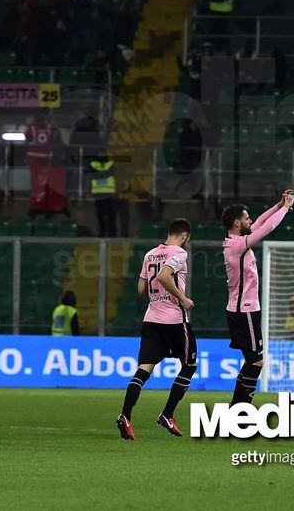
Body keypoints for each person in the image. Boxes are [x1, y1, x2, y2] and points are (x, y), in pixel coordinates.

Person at [117, 218, 195, 441]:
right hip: (175, 321)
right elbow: (163, 276)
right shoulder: (179, 253)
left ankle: (126, 415)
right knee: (189, 365)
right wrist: (183, 298)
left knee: (143, 371)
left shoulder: (150, 254)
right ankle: (168, 414)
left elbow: (141, 288)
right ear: (184, 236)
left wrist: (157, 295)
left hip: (151, 319)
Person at [222, 190, 294, 405]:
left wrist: (278, 204)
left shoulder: (236, 241)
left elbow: (262, 220)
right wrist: (286, 207)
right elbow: (268, 227)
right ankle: (241, 411)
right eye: (246, 218)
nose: (250, 220)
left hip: (240, 309)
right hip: (244, 310)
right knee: (257, 362)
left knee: (251, 361)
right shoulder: (238, 245)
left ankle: (236, 409)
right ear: (237, 223)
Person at [88, 152, 117, 237]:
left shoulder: (109, 163)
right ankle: (102, 233)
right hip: (98, 192)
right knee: (100, 214)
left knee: (110, 214)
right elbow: (94, 176)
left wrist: (99, 173)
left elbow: (97, 175)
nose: (101, 154)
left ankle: (112, 233)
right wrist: (104, 173)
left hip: (107, 192)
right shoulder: (93, 164)